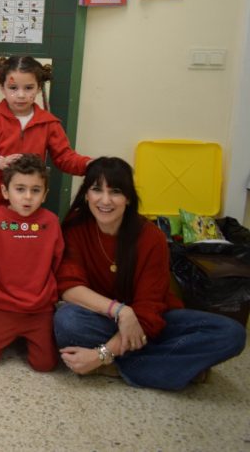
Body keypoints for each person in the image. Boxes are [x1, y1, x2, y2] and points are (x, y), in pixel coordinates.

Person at [54, 157, 246, 390]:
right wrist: (122, 312)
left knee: (232, 334)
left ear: (128, 198)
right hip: (105, 317)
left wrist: (102, 355)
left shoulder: (151, 236)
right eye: (97, 190)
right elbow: (69, 287)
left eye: (115, 192)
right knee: (67, 320)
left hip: (154, 322)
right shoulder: (75, 226)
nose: (105, 200)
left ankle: (115, 367)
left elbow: (149, 312)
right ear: (86, 195)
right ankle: (173, 366)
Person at [0, 155, 62, 372]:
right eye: (20, 189)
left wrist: (50, 296)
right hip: (2, 306)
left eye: (35, 190)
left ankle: (23, 335)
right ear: (5, 191)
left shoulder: (51, 222)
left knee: (45, 365)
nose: (28, 197)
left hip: (39, 309)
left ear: (45, 194)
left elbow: (57, 262)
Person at [0, 55, 90, 217]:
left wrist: (88, 165)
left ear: (39, 88)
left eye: (28, 88)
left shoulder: (48, 123)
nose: (21, 95)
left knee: (25, 235)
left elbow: (65, 157)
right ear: (2, 87)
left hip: (29, 203)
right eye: (13, 88)